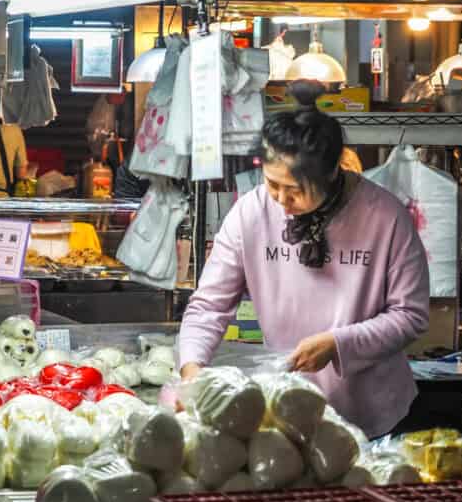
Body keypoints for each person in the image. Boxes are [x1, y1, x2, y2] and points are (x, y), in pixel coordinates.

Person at [178, 80, 430, 438]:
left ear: (331, 173)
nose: (280, 199)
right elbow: (208, 307)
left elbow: (411, 315)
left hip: (371, 411)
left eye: (294, 190)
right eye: (271, 183)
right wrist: (192, 371)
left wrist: (339, 343)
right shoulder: (250, 213)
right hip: (285, 408)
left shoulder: (385, 216)